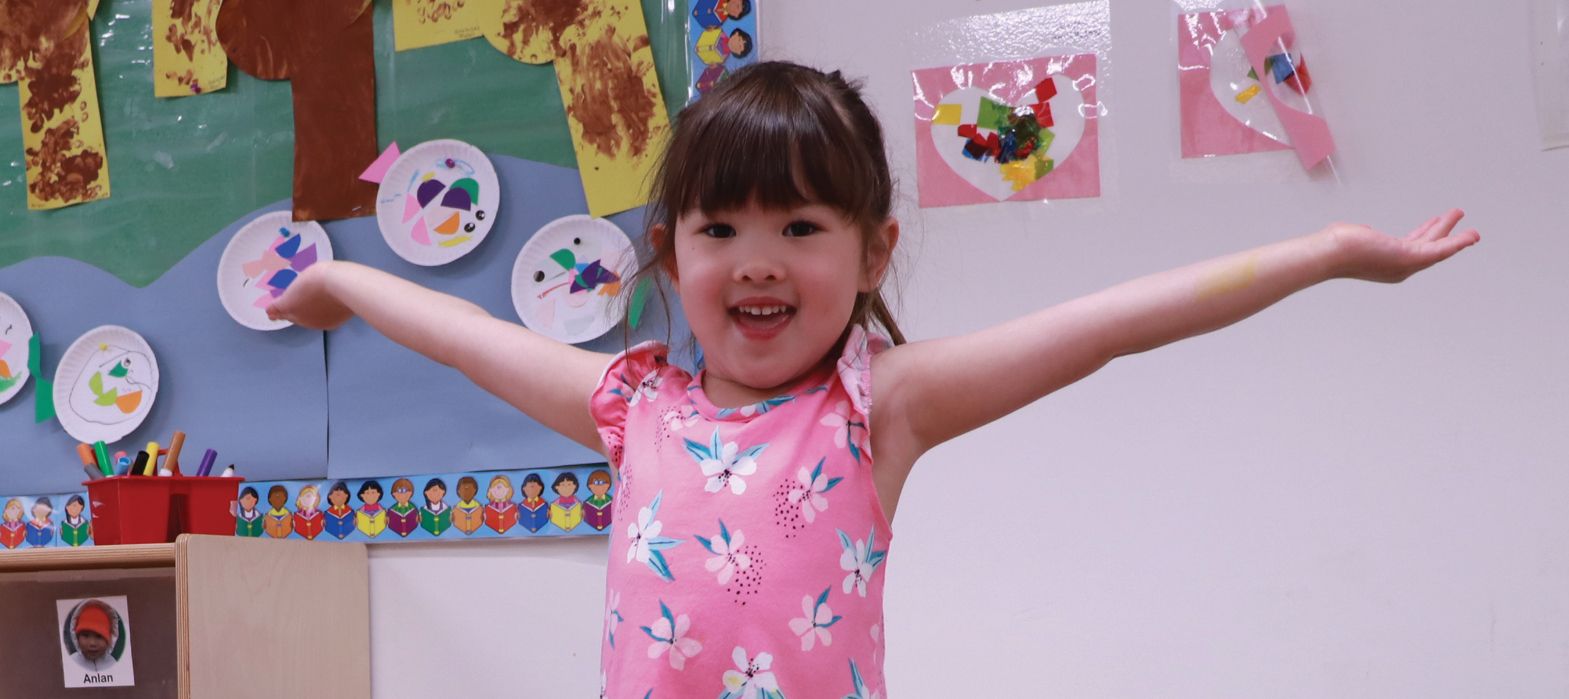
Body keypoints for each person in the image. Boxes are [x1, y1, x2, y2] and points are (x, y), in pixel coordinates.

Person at [269, 61, 1478, 697]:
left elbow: (1112, 324)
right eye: (720, 230)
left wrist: (1324, 257)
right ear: (671, 250)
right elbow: (448, 332)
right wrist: (336, 286)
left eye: (800, 229)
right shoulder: (632, 406)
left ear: (872, 253)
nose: (757, 265)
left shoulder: (878, 407)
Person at [67, 600, 120, 673]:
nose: (92, 643)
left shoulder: (113, 664)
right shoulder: (70, 664)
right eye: (86, 635)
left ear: (110, 638)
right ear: (76, 637)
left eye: (99, 636)